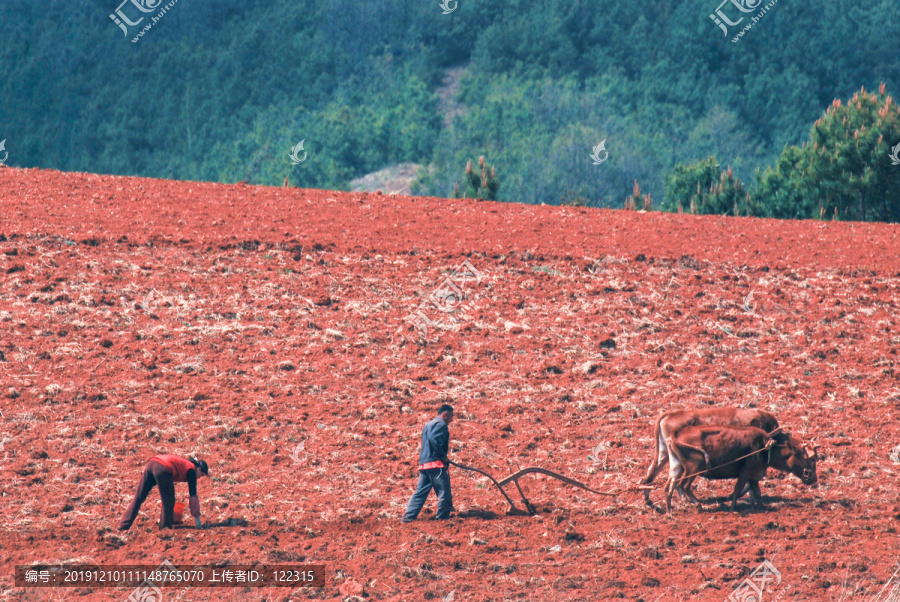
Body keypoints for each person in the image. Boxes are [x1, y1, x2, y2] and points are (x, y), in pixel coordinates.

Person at [118, 454, 209, 531]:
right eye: (201, 475)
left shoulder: (186, 464)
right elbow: (193, 495)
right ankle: (165, 530)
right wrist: (197, 519)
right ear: (199, 469)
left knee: (139, 496)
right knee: (168, 501)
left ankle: (123, 525)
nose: (199, 478)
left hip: (152, 463)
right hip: (162, 467)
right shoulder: (191, 470)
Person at [402, 404, 454, 523]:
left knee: (420, 494)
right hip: (436, 464)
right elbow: (433, 439)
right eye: (451, 416)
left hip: (424, 464)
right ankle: (442, 520)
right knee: (444, 493)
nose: (452, 419)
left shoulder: (428, 425)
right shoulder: (441, 425)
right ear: (445, 414)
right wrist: (442, 456)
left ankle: (407, 518)